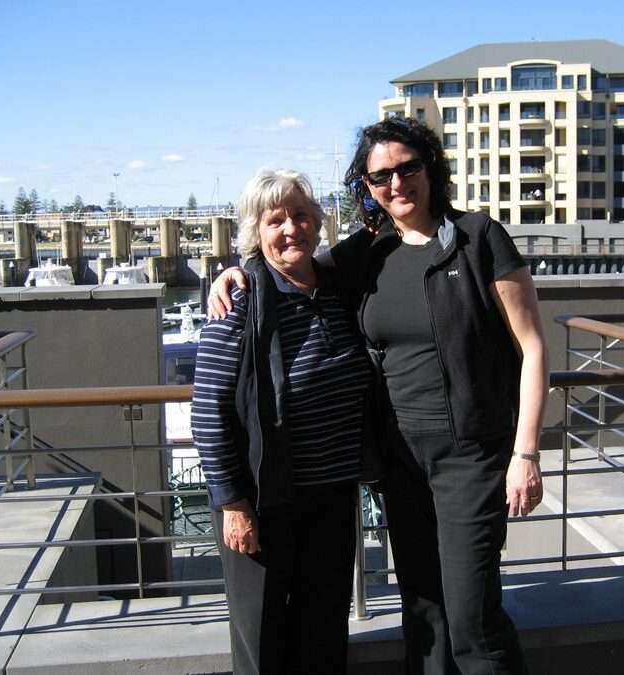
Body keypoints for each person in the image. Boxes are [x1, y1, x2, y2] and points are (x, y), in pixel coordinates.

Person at [210, 117, 548, 674]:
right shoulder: (369, 252)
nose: (396, 183)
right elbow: (288, 259)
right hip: (400, 466)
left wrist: (526, 454)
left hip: (470, 458)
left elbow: (533, 349)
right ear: (365, 187)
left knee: (471, 618)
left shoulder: (479, 238)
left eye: (406, 168)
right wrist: (234, 273)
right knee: (423, 612)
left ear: (429, 167)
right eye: (379, 176)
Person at [191, 168, 371, 674]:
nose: (291, 229)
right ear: (257, 231)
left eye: (300, 216)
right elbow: (208, 411)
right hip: (263, 500)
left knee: (324, 633)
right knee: (262, 639)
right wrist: (233, 503)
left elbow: (382, 222)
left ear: (317, 223)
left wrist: (371, 175)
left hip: (332, 495)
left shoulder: (339, 287)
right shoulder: (241, 299)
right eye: (275, 220)